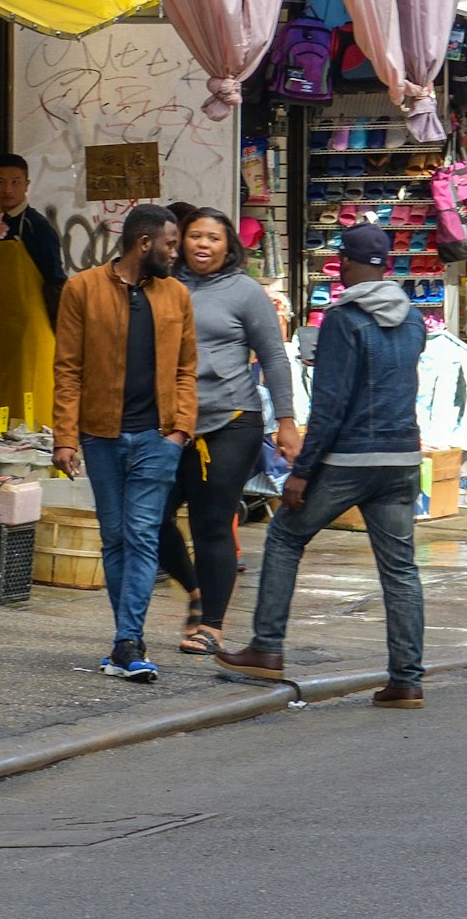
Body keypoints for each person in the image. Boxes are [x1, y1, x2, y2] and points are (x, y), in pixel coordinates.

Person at [218, 223, 431, 707]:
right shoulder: (414, 320)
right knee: (400, 569)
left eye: (343, 265)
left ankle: (267, 646)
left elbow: (332, 406)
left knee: (286, 535)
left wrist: (303, 471)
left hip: (351, 456)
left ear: (350, 265)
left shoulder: (345, 320)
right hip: (402, 457)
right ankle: (407, 680)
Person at [46, 201, 199, 685]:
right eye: (171, 244)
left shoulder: (177, 296)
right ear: (144, 243)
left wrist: (180, 431)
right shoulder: (82, 289)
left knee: (140, 534)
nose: (178, 253)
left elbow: (187, 369)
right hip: (100, 434)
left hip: (158, 436)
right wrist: (65, 438)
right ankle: (125, 640)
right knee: (114, 537)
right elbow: (68, 368)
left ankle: (127, 641)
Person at [159, 208, 298, 656]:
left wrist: (288, 421)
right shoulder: (164, 285)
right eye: (195, 236)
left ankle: (211, 625)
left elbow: (274, 357)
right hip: (171, 423)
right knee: (150, 518)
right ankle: (197, 592)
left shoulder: (246, 292)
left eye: (213, 238)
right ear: (180, 241)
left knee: (211, 522)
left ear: (229, 245)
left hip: (231, 420)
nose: (203, 245)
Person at [0, 155, 66, 435]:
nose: (7, 189)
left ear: (26, 185)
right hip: (4, 325)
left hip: (33, 325)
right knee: (3, 395)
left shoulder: (37, 227)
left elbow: (55, 278)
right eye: (0, 182)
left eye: (15, 182)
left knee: (31, 395)